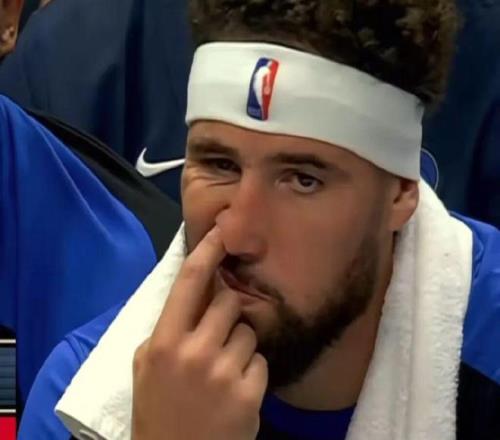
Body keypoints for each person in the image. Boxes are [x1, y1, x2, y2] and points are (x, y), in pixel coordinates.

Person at [19, 0, 500, 439]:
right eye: (219, 166)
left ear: (400, 193)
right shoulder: (83, 399)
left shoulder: (488, 337)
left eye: (303, 180)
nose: (237, 234)